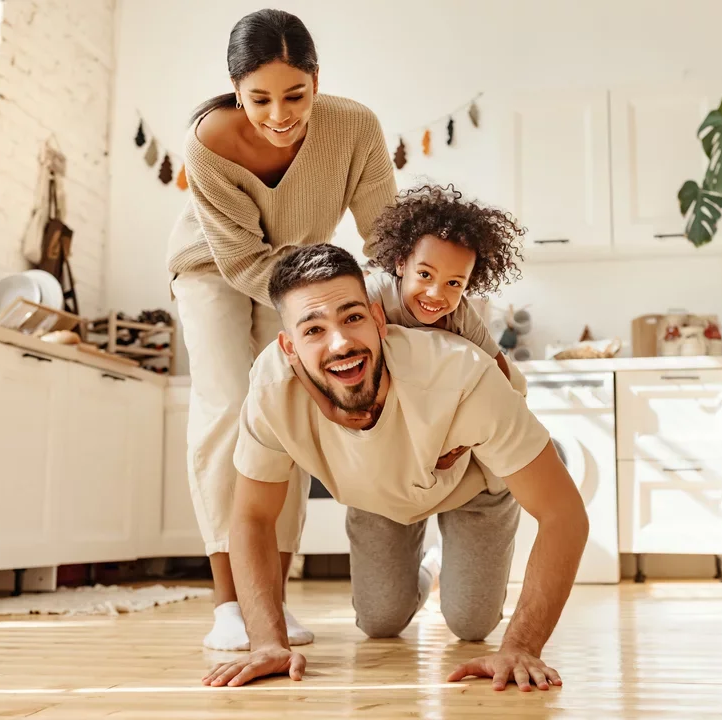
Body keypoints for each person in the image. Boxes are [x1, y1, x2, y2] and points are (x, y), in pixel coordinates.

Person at [203, 244, 589, 691]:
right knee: (379, 621)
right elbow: (252, 516)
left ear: (378, 319)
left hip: (470, 486)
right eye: (313, 330)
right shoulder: (271, 391)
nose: (341, 343)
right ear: (289, 347)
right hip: (376, 494)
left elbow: (565, 515)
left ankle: (451, 555)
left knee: (470, 622)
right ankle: (431, 565)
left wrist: (522, 645)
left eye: (352, 318)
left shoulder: (463, 375)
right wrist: (266, 643)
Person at [166, 9, 397, 651]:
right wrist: (319, 300)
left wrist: (416, 293)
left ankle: (272, 593)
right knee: (223, 405)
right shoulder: (208, 141)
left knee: (283, 413)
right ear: (236, 88)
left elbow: (384, 235)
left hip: (296, 274)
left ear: (317, 82)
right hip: (212, 266)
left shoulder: (356, 128)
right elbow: (239, 260)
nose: (279, 114)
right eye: (261, 98)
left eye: (296, 94)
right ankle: (228, 605)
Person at [295, 184, 529, 431]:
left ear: (468, 284)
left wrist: (476, 429)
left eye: (453, 283)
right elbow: (304, 353)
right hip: (380, 397)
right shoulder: (373, 295)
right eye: (425, 274)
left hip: (432, 400)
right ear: (401, 264)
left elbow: (499, 372)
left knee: (519, 385)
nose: (436, 294)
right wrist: (329, 409)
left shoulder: (461, 314)